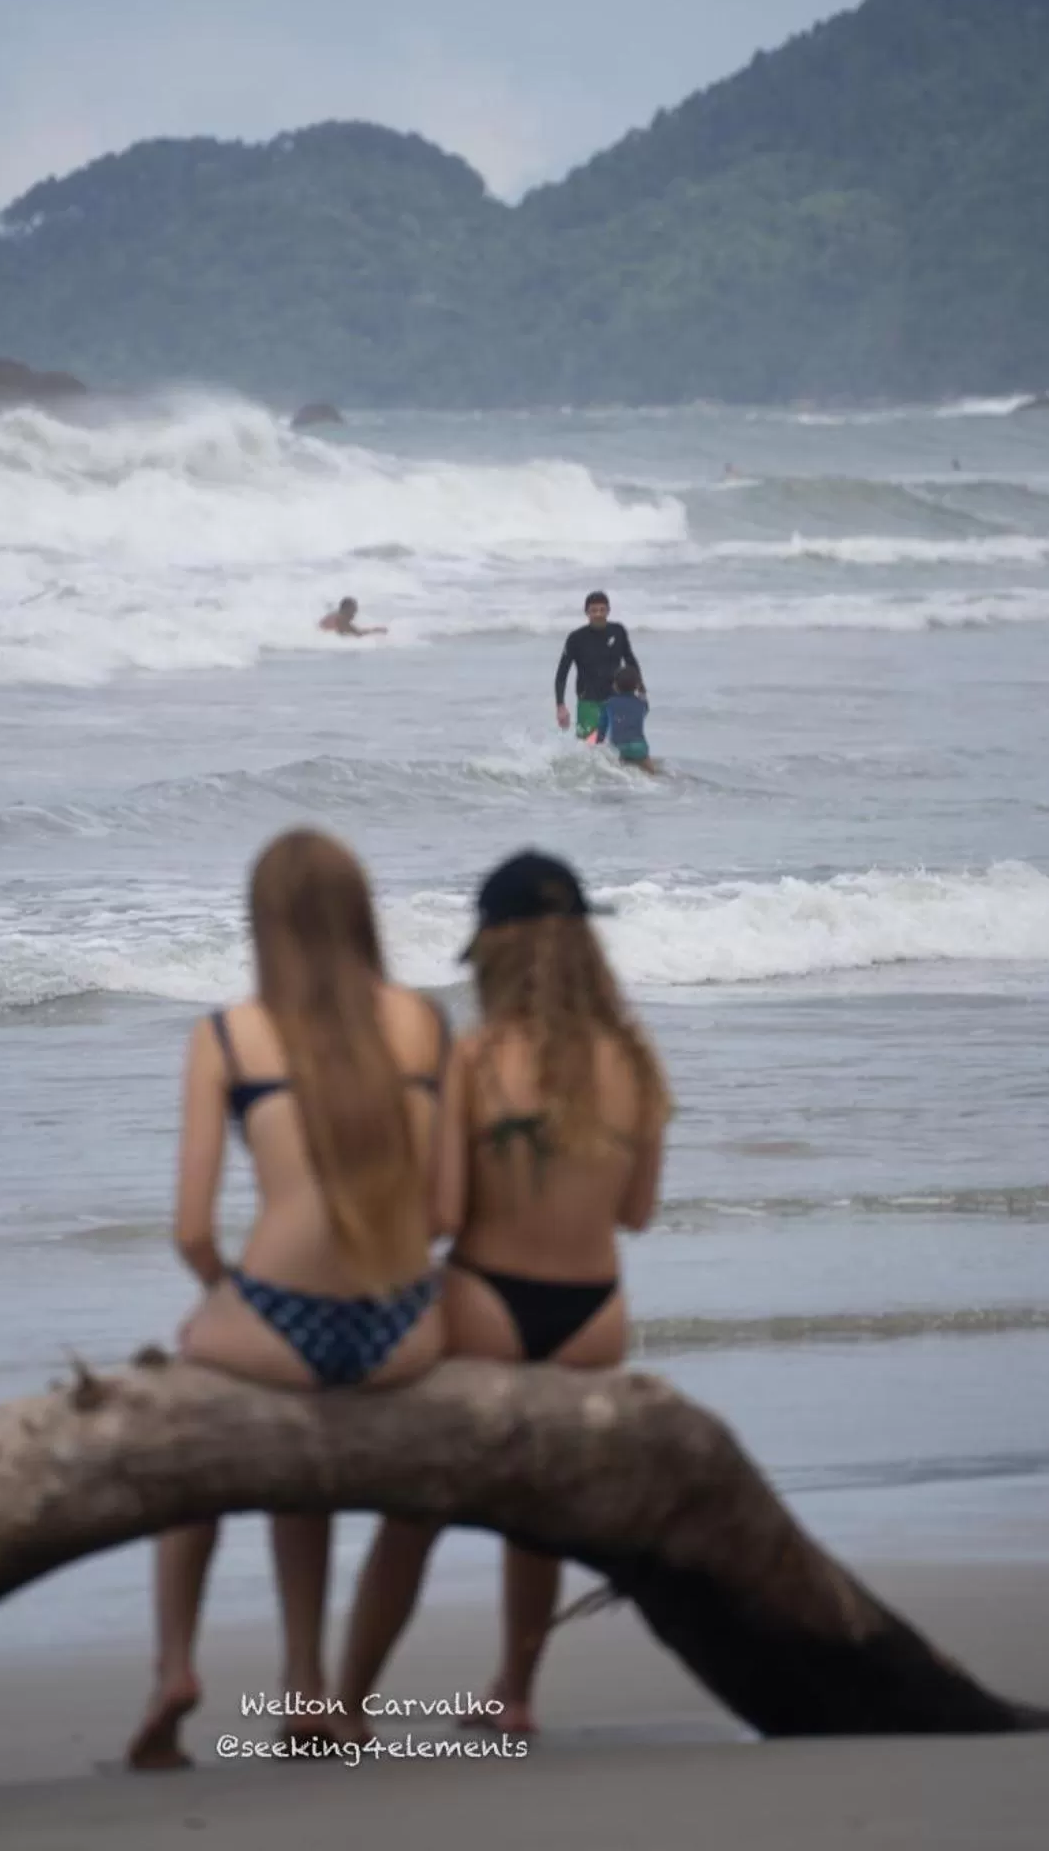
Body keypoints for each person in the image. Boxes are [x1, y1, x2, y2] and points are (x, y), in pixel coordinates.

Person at [127, 828, 448, 1769]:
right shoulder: (426, 1025)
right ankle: (320, 1691)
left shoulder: (227, 1034)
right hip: (399, 1326)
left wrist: (231, 1302)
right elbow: (447, 1209)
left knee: (190, 1431)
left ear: (261, 921)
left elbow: (190, 1228)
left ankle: (176, 1670)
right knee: (306, 1454)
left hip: (277, 1321)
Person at [336, 849, 671, 1738]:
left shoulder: (474, 1059)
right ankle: (514, 1695)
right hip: (595, 1313)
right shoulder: (634, 1063)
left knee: (414, 1511)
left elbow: (442, 1212)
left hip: (488, 1300)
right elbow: (636, 1213)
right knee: (538, 1515)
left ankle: (345, 1705)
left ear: (494, 951)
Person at [554, 592, 645, 744]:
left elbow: (630, 660)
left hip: (616, 699)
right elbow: (562, 673)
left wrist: (641, 689)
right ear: (587, 612)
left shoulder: (618, 631)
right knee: (589, 746)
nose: (598, 614)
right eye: (594, 610)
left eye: (602, 610)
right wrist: (560, 705)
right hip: (588, 700)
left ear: (608, 610)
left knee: (620, 743)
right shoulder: (576, 638)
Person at [602, 664, 655, 772]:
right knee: (651, 773)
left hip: (618, 747)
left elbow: (602, 729)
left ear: (615, 685)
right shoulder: (641, 704)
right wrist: (642, 690)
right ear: (636, 685)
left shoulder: (608, 704)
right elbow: (645, 709)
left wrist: (598, 746)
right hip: (639, 748)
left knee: (619, 773)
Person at [320, 596, 387, 637]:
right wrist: (376, 630)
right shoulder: (341, 619)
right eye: (353, 610)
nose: (355, 613)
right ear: (346, 610)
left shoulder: (337, 615)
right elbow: (358, 634)